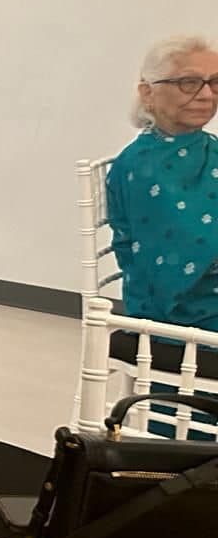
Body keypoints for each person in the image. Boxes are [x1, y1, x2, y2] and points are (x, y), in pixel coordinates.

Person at [106, 36, 218, 329]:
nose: (207, 95)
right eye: (189, 83)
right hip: (179, 311)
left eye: (214, 82)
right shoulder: (141, 166)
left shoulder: (208, 146)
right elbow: (175, 257)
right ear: (148, 92)